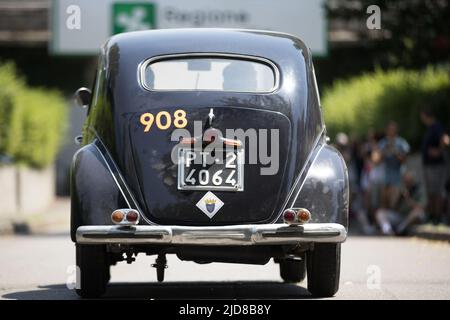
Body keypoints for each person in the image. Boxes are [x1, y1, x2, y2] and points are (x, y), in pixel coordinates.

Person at [420, 108, 449, 224]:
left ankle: (437, 217)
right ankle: (432, 216)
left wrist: (439, 151)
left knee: (436, 191)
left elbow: (445, 139)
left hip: (435, 165)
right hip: (429, 165)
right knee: (431, 192)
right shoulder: (431, 128)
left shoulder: (436, 126)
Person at [378, 121, 410, 209]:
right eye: (389, 129)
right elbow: (377, 161)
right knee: (384, 198)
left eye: (393, 129)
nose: (391, 131)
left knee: (394, 200)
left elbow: (404, 160)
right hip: (386, 175)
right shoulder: (383, 143)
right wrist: (383, 152)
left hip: (398, 175)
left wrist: (395, 152)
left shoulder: (401, 142)